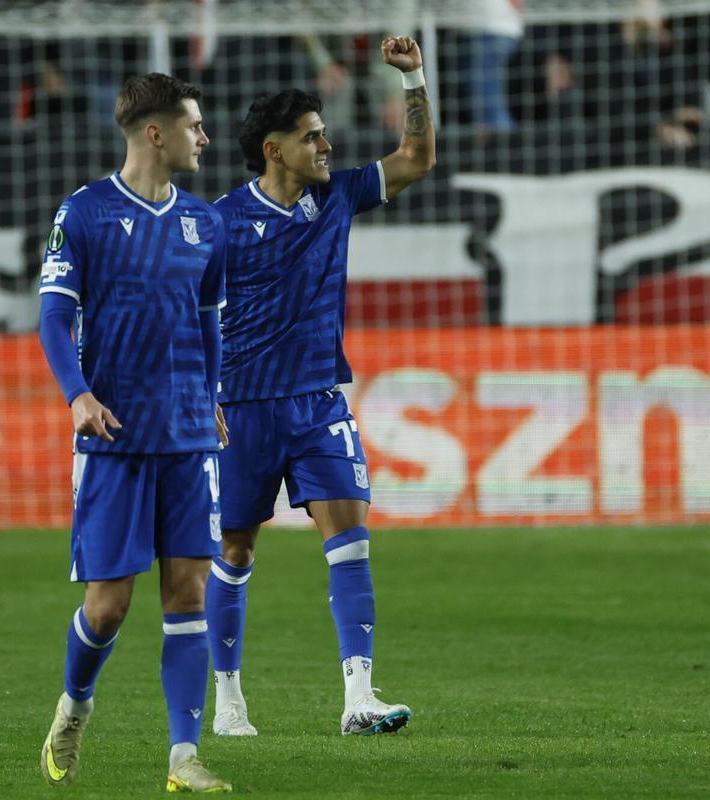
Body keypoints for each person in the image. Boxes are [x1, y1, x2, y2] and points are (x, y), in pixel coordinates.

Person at [205, 35, 435, 737]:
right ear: (274, 150)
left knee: (351, 535)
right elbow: (190, 313)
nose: (325, 147)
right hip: (239, 408)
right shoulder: (220, 223)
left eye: (324, 134)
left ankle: (358, 697)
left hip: (317, 401)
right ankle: (228, 697)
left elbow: (417, 157)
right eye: (311, 138)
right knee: (235, 551)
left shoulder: (335, 197)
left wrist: (414, 79)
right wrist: (198, 394)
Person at [35, 73, 233, 792]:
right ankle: (75, 704)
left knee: (188, 594)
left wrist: (212, 398)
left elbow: (209, 319)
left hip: (186, 434)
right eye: (193, 126)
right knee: (109, 603)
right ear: (156, 133)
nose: (204, 138)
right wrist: (78, 393)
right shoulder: (83, 214)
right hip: (115, 433)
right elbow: (56, 315)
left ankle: (185, 757)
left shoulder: (205, 223)